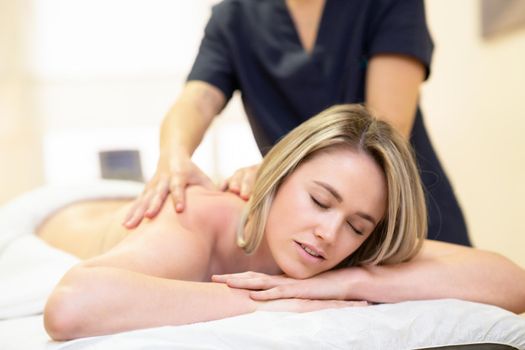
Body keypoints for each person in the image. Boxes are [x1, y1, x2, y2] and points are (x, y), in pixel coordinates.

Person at [40, 105, 524, 341]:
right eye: (319, 200)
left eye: (358, 227)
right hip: (61, 212)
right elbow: (70, 306)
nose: (330, 235)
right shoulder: (197, 220)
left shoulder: (345, 243)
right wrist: (269, 299)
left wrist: (346, 283)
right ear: (274, 175)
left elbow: (511, 283)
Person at [123, 0, 471, 247]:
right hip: (315, 236)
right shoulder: (233, 18)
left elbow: (386, 124)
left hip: (399, 218)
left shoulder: (387, 4)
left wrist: (281, 169)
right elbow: (196, 100)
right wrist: (174, 156)